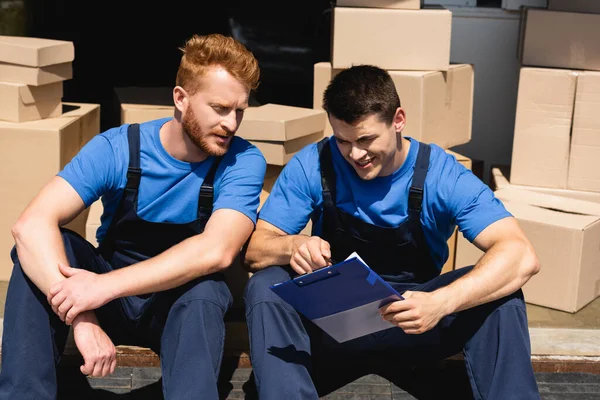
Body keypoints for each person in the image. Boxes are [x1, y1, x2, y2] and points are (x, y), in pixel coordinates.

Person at [242, 65, 541, 399]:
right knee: (266, 284)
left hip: (416, 321)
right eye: (343, 140)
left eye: (366, 139)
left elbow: (521, 255)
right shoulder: (315, 163)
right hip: (335, 324)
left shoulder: (441, 175)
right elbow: (256, 248)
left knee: (501, 294)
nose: (355, 154)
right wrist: (292, 245)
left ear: (398, 120)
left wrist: (441, 302)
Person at [0, 33, 266, 400]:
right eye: (220, 108)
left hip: (175, 309)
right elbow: (29, 225)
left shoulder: (242, 160)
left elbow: (216, 251)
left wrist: (100, 288)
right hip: (109, 302)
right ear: (180, 98)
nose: (231, 124)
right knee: (48, 248)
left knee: (207, 290)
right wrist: (82, 317)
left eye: (240, 111)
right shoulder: (118, 148)